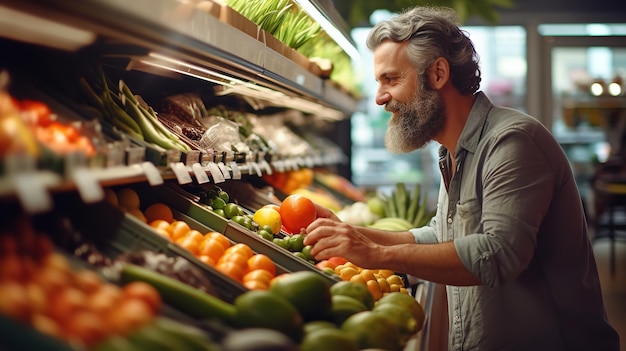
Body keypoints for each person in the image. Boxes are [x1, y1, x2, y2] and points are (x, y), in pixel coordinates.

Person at [303, 6, 620, 351]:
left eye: (391, 79)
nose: (380, 98)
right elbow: (441, 235)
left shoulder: (513, 141)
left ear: (438, 73)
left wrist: (376, 253)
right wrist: (352, 235)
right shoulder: (452, 151)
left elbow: (498, 254)